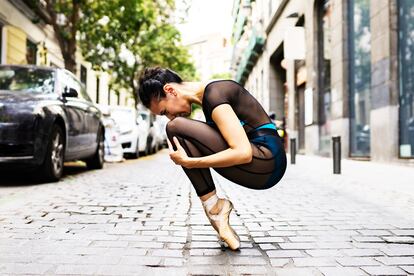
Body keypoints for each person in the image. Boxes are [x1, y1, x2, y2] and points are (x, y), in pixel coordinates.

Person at [138, 67, 287, 250]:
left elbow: (243, 152)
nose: (169, 116)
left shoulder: (214, 93)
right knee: (180, 133)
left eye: (164, 111)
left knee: (174, 127)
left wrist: (191, 162)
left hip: (268, 159)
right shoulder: (209, 100)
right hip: (262, 165)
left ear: (170, 90)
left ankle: (215, 209)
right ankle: (215, 209)